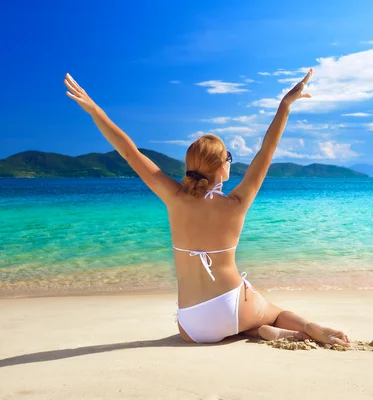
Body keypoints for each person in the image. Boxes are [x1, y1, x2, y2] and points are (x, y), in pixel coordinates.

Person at [64, 70, 350, 346]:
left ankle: (253, 330)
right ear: (222, 167)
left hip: (193, 326)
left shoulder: (174, 197)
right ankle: (304, 327)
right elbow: (267, 150)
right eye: (229, 157)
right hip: (234, 307)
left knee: (222, 324)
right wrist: (285, 105)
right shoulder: (237, 204)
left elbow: (129, 151)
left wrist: (94, 110)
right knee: (275, 313)